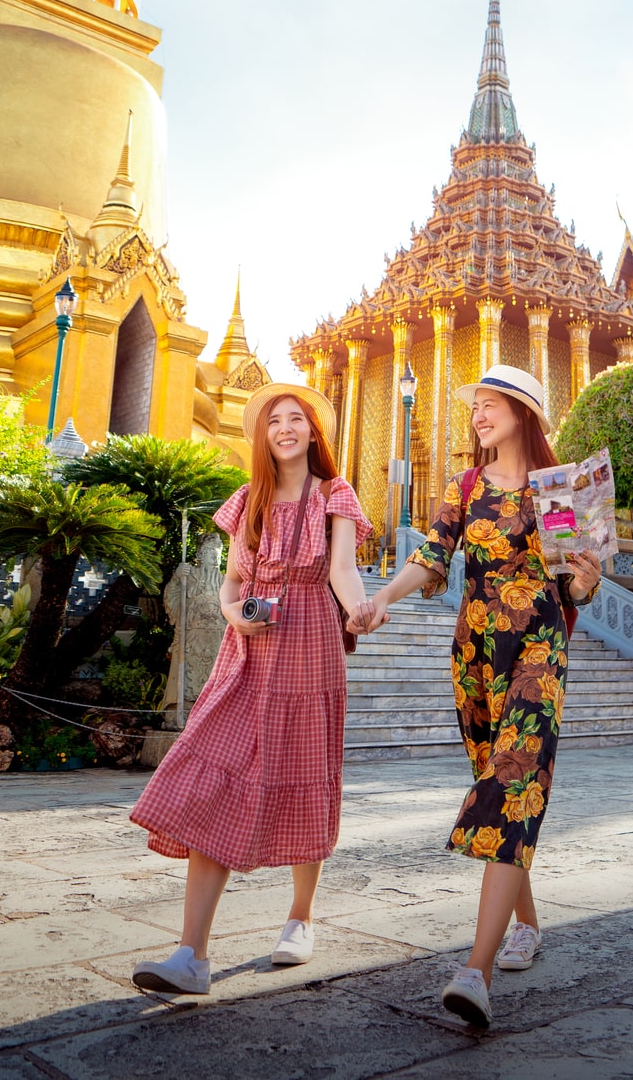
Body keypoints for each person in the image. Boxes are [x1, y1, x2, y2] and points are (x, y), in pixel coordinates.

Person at [351, 363, 602, 1029]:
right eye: (477, 406)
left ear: (523, 413)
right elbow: (430, 559)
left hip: (539, 649)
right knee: (498, 784)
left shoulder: (556, 490)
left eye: (493, 405)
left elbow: (576, 586)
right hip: (474, 655)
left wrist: (584, 579)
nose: (480, 415)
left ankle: (476, 971)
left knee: (514, 782)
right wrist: (379, 599)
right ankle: (527, 925)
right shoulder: (463, 488)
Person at [129, 384, 373, 995]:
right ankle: (192, 954)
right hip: (247, 654)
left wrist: (364, 610)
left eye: (298, 419)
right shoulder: (248, 501)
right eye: (275, 421)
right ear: (262, 435)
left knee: (303, 772)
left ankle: (300, 917)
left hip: (311, 646)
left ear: (315, 432)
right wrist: (235, 614)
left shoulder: (334, 495)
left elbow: (341, 570)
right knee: (214, 776)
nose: (286, 429)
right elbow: (232, 581)